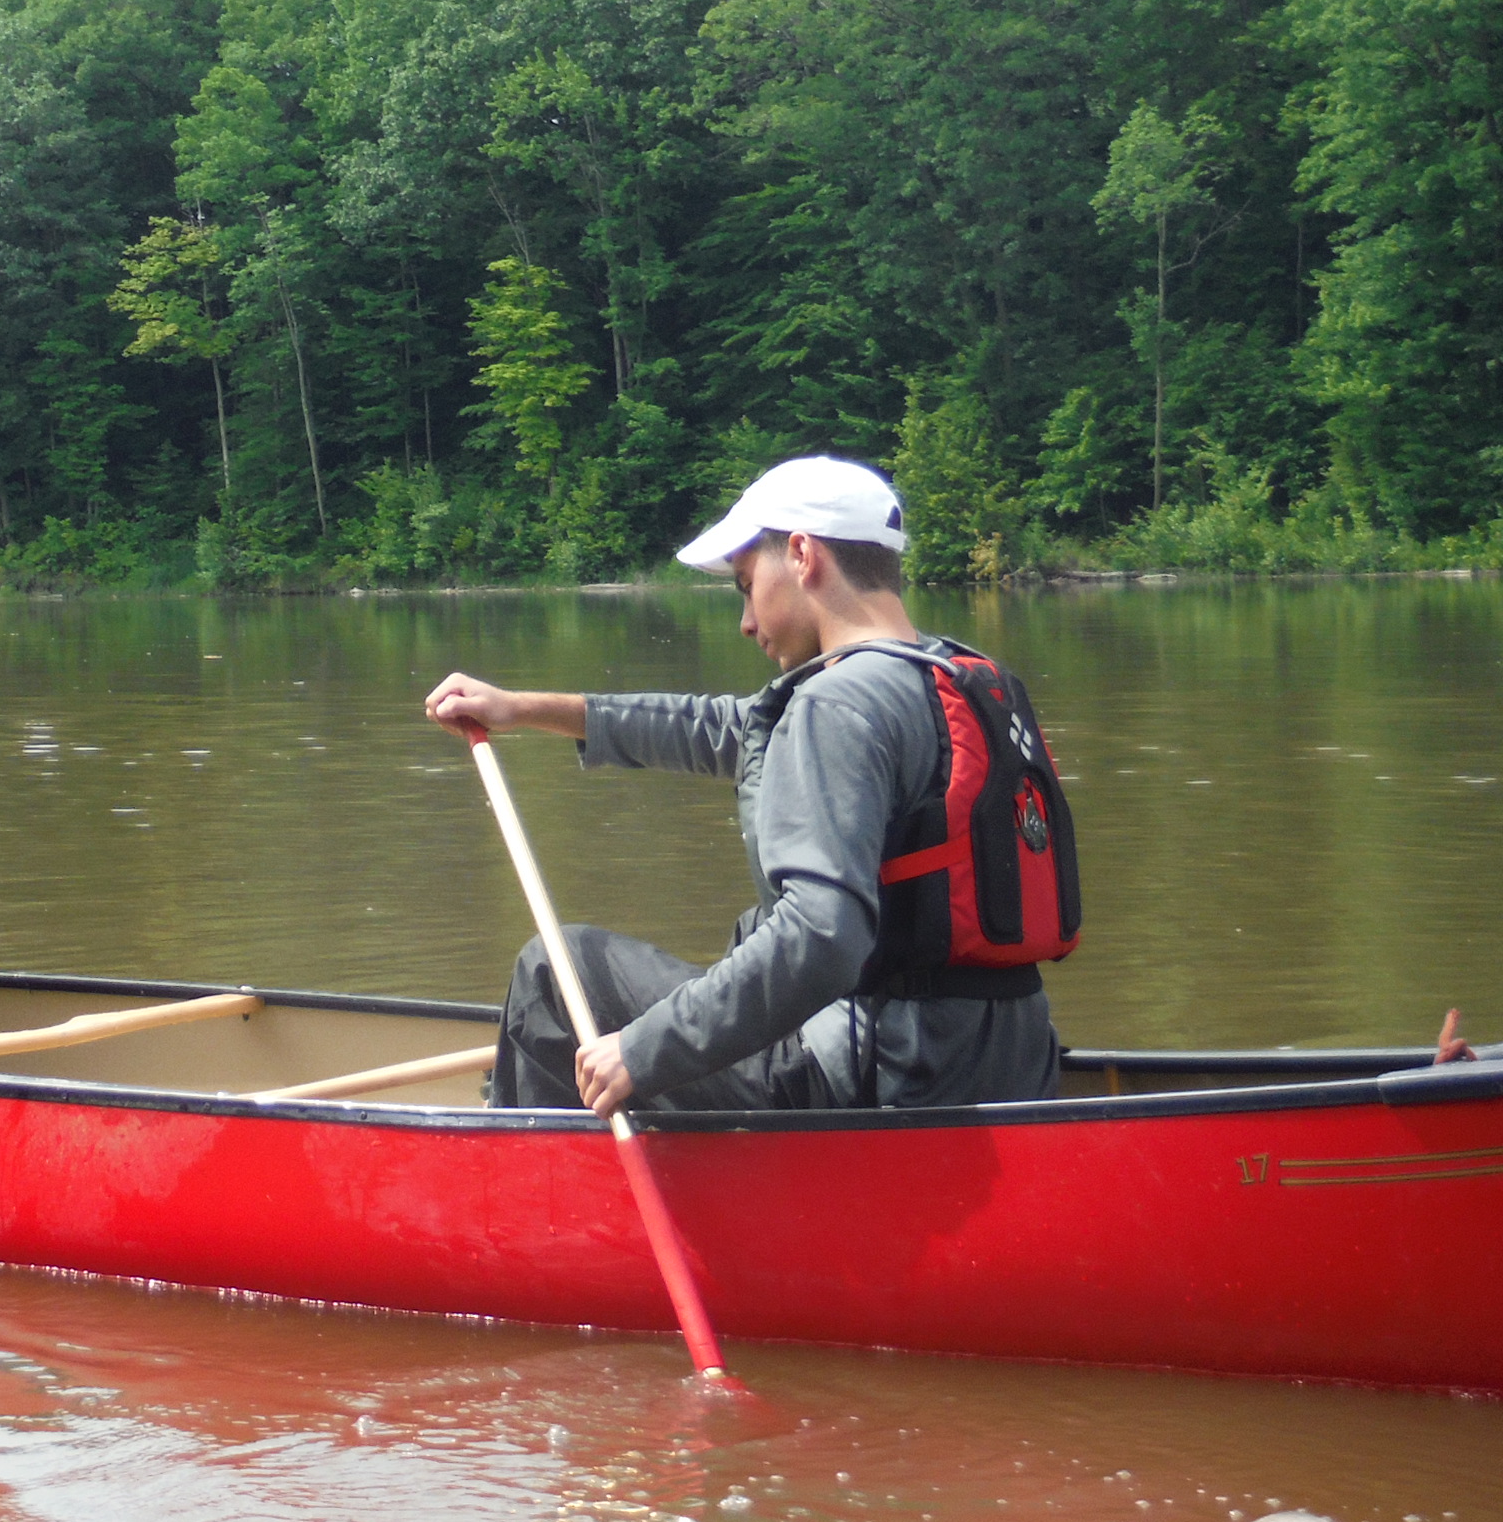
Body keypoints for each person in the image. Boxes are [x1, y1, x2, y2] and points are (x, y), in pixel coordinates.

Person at [421, 454, 1079, 1117]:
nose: (744, 621)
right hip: (1005, 1065)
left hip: (876, 1082)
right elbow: (733, 729)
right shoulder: (958, 678)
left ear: (801, 554)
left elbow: (821, 939)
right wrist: (524, 709)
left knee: (557, 974)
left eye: (744, 584)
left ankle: (538, 1191)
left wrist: (644, 1049)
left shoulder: (837, 705)